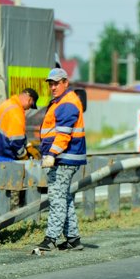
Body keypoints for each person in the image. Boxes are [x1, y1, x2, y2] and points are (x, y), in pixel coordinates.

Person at [36, 67, 87, 252]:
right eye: (50, 83)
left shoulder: (67, 103)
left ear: (66, 82)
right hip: (65, 156)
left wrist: (52, 154)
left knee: (57, 198)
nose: (53, 87)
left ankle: (51, 238)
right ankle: (73, 239)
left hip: (64, 157)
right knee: (64, 198)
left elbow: (63, 135)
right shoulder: (62, 101)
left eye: (56, 83)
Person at [0, 88, 38, 162]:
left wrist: (28, 145)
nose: (28, 109)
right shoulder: (16, 112)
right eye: (30, 106)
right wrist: (24, 156)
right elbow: (16, 140)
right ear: (30, 100)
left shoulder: (9, 103)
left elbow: (15, 132)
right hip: (3, 157)